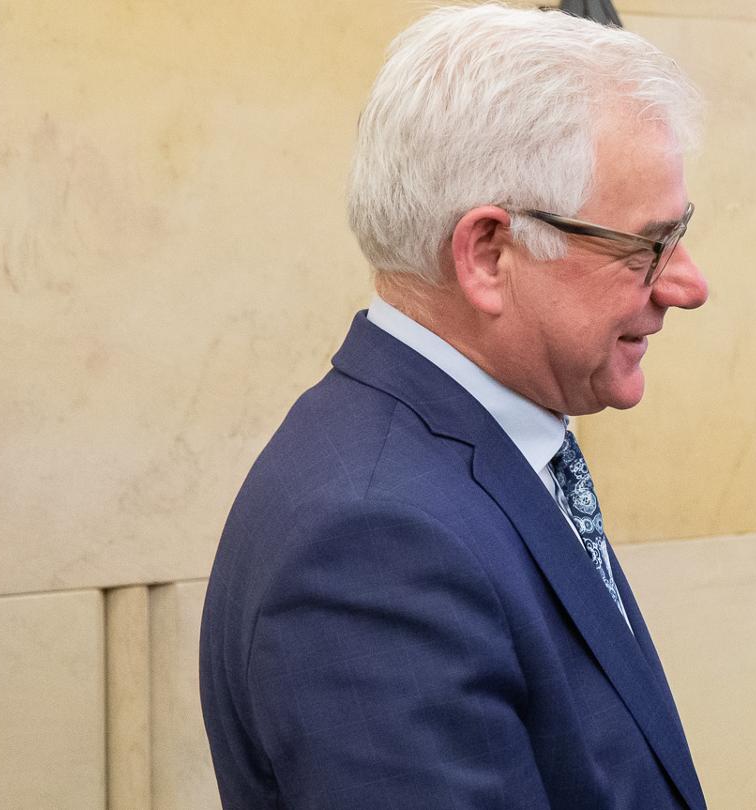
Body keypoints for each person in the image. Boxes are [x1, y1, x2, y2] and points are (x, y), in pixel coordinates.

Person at [198, 6, 710, 808]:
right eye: (647, 246)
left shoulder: (463, 464)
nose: (688, 285)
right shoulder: (375, 545)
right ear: (488, 253)